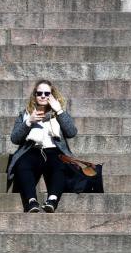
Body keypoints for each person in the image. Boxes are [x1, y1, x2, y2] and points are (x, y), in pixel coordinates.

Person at [8, 80, 78, 214]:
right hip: (32, 150)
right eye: (39, 93)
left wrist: (59, 110)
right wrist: (29, 122)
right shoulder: (26, 114)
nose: (43, 96)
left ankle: (52, 200)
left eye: (47, 93)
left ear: (52, 95)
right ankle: (31, 201)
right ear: (35, 95)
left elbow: (71, 132)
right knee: (22, 164)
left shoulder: (59, 113)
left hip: (54, 150)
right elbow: (15, 139)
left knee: (62, 163)